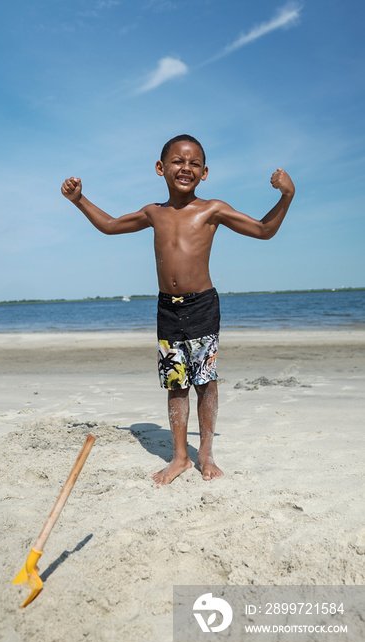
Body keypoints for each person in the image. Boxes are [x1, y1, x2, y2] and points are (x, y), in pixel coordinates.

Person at [61, 134, 295, 487]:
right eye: (177, 161)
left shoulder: (212, 209)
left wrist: (286, 194)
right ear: (161, 167)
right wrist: (79, 200)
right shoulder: (154, 212)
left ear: (204, 173)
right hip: (167, 309)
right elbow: (110, 226)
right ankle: (180, 457)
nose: (185, 167)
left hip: (202, 305)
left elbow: (263, 231)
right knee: (176, 384)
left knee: (206, 383)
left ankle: (206, 454)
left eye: (194, 163)